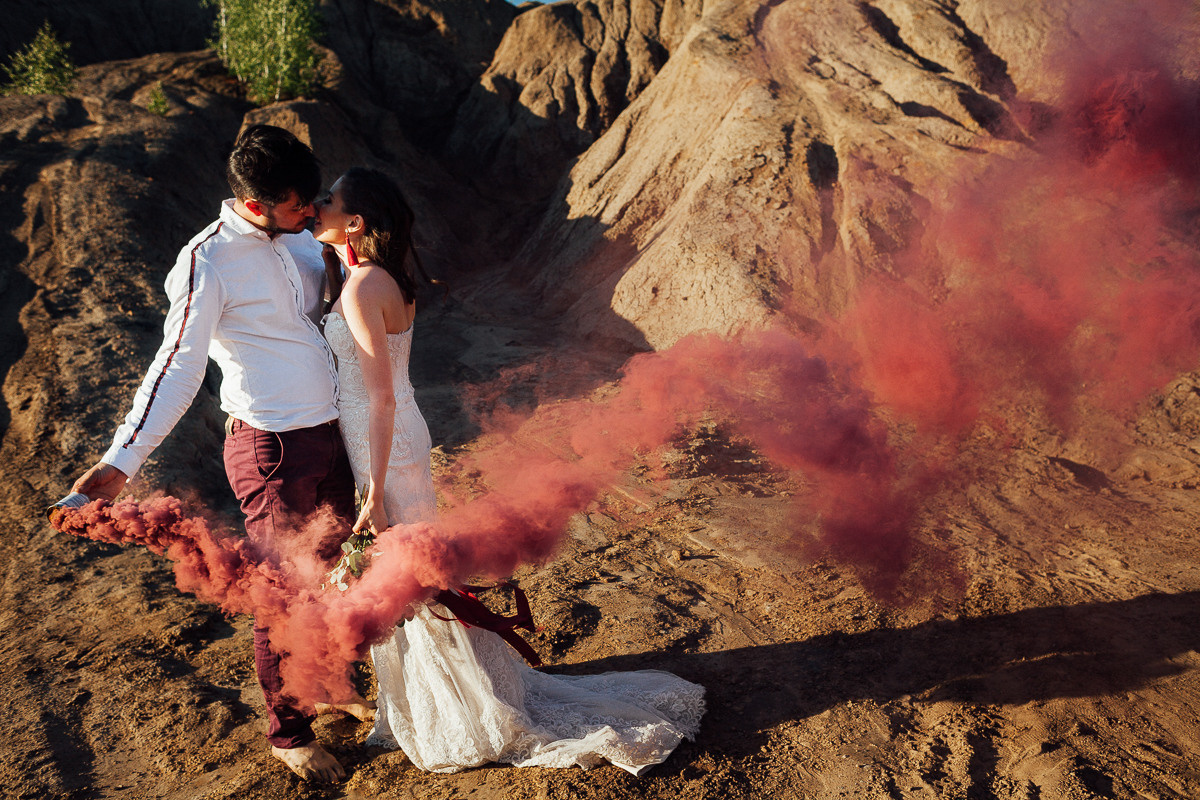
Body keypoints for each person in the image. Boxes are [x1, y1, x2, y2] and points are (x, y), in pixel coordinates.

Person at [312, 167, 706, 775]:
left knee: (407, 572)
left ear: (356, 222)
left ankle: (461, 717)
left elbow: (381, 397)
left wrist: (373, 494)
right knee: (414, 574)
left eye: (328, 202)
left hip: (381, 441)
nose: (318, 207)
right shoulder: (375, 277)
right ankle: (429, 705)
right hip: (393, 437)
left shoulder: (363, 286)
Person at [72, 124, 356, 783]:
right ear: (256, 203)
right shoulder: (208, 261)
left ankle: (330, 692)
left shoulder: (304, 236)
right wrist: (122, 460)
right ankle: (289, 735)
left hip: (336, 435)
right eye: (296, 207)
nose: (310, 215)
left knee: (338, 570)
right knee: (279, 592)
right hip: (270, 449)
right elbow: (177, 367)